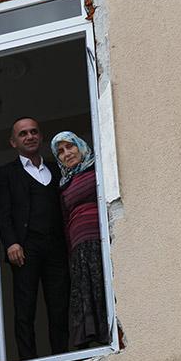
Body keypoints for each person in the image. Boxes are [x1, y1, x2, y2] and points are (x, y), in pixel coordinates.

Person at [0, 117, 70, 360]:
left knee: (60, 306)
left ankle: (62, 356)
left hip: (56, 247)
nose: (30, 136)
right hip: (25, 248)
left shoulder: (56, 168)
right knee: (25, 309)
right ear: (13, 142)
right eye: (23, 133)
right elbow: (3, 212)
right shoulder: (6, 173)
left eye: (34, 132)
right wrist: (11, 243)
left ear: (40, 136)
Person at [50, 131, 109, 349]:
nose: (67, 154)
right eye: (61, 151)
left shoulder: (97, 170)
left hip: (99, 240)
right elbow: (65, 220)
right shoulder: (64, 183)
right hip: (78, 247)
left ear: (80, 146)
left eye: (70, 147)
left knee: (104, 288)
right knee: (85, 292)